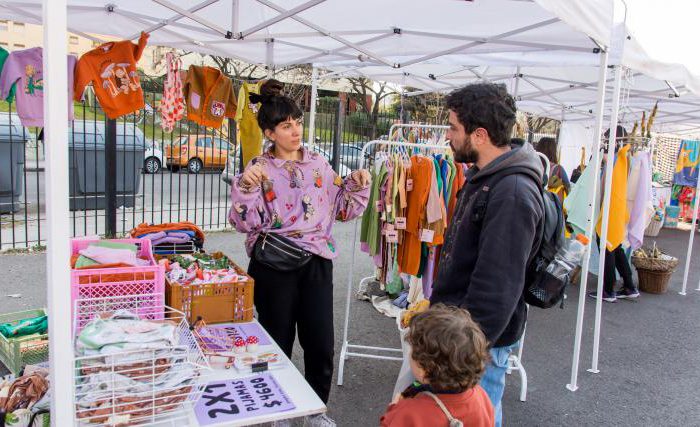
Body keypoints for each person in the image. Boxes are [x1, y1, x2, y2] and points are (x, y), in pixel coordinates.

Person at [228, 80, 371, 427]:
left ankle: (314, 412)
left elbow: (343, 208)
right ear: (269, 132)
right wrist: (246, 186)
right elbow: (243, 222)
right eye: (286, 126)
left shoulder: (319, 164)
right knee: (276, 343)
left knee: (320, 343)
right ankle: (277, 410)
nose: (295, 131)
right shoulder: (258, 169)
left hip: (316, 264)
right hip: (273, 263)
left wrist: (360, 182)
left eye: (296, 123)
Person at [430, 83, 544, 427]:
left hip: (478, 343)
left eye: (453, 128)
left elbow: (498, 286)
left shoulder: (511, 191)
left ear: (479, 135)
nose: (448, 136)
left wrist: (465, 351)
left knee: (478, 418)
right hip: (463, 334)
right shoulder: (488, 177)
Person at [380, 304, 494, 427]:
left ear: (424, 369)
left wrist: (393, 409)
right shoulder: (481, 398)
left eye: (412, 349)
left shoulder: (409, 413)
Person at [588, 126, 638, 302]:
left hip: (611, 211)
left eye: (606, 138)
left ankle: (607, 290)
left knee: (607, 248)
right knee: (616, 248)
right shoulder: (626, 158)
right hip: (617, 210)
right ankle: (629, 286)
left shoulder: (617, 159)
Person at [535, 136, 571, 204]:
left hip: (534, 201)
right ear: (553, 150)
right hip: (552, 206)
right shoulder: (559, 169)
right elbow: (568, 189)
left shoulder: (532, 165)